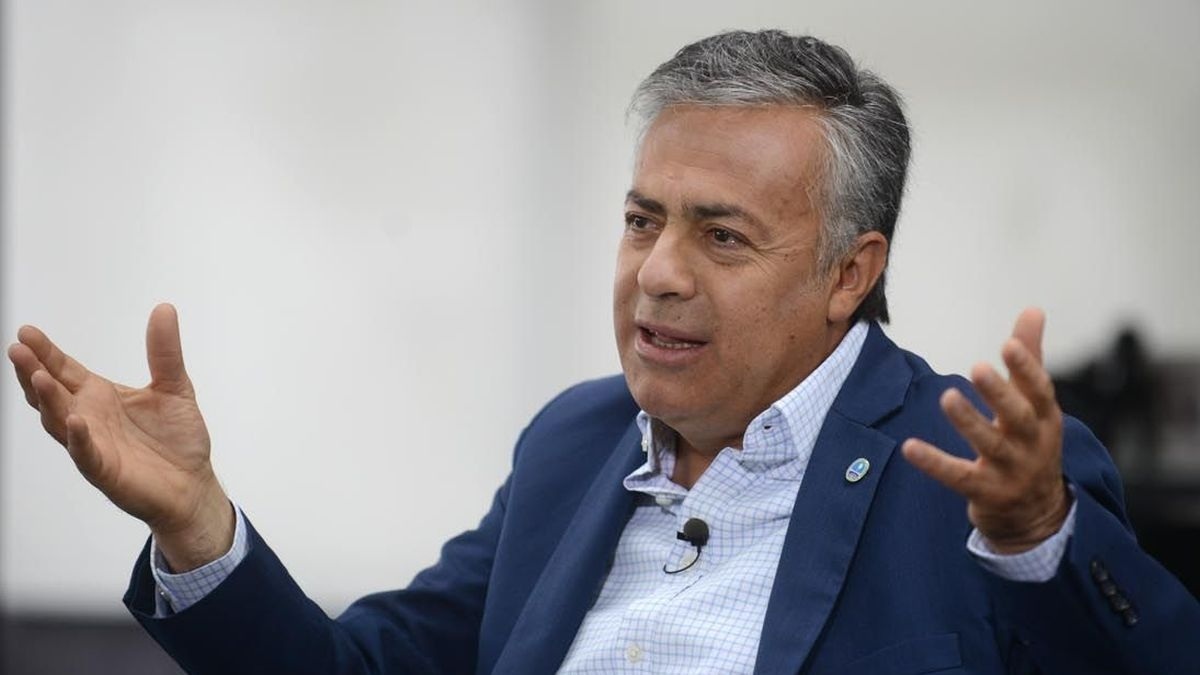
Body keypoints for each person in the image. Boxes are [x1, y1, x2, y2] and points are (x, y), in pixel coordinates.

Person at [8, 30, 1198, 675]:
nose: (658, 273)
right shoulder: (574, 445)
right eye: (641, 221)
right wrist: (197, 526)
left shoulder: (975, 470)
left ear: (850, 272)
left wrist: (1036, 540)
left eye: (721, 236)